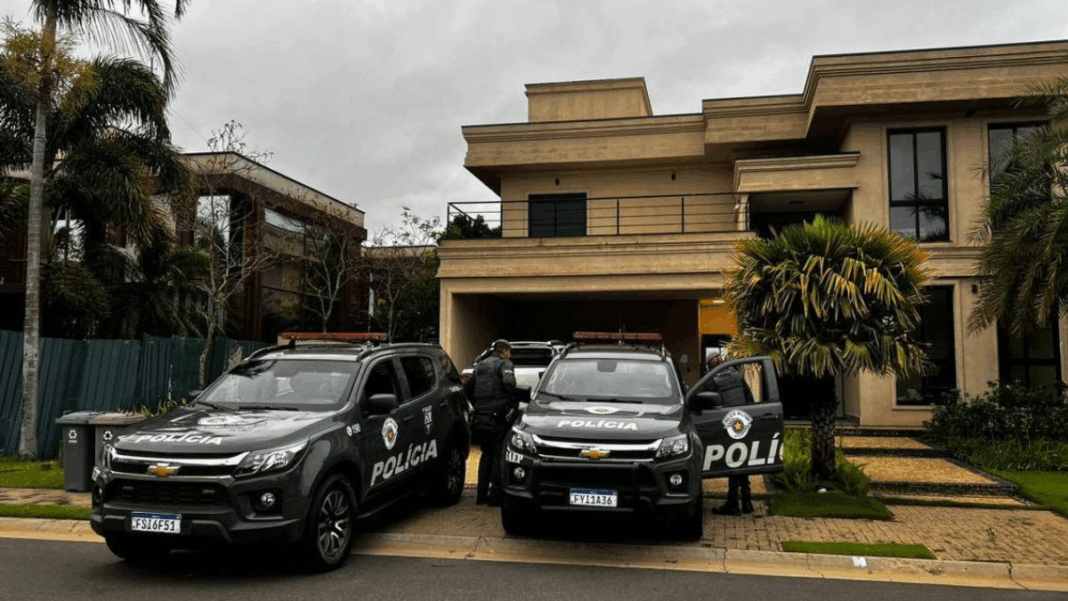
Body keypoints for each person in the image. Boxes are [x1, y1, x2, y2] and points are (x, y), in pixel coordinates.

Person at [464, 339, 517, 506]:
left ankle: (481, 495)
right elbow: (509, 385)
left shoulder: (480, 365)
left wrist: (477, 405)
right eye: (510, 352)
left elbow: (467, 388)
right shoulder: (504, 364)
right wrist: (512, 404)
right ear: (504, 351)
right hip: (497, 416)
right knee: (497, 455)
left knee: (485, 454)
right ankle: (495, 496)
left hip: (481, 416)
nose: (511, 355)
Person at [704, 352, 755, 516]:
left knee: (733, 462)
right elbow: (750, 398)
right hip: (743, 422)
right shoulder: (736, 374)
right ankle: (747, 501)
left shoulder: (712, 380)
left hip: (729, 423)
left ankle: (733, 503)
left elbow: (705, 401)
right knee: (742, 462)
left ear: (710, 365)